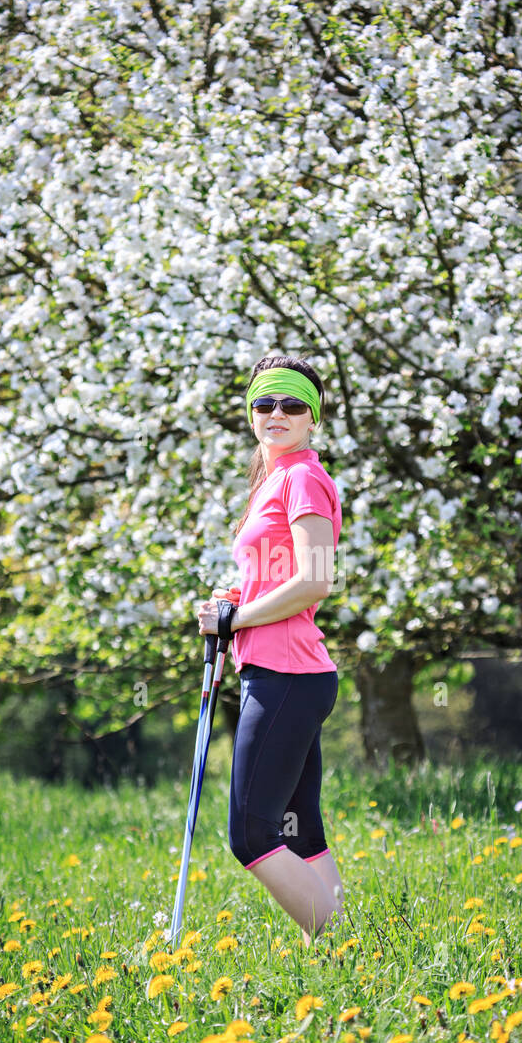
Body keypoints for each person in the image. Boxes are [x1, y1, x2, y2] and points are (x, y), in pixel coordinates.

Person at [197, 354, 344, 947]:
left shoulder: (305, 478)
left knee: (253, 834)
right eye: (264, 403)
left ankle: (344, 945)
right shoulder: (274, 482)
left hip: (288, 675)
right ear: (251, 414)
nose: (276, 413)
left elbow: (314, 581)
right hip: (279, 672)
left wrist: (236, 617)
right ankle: (341, 959)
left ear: (313, 418)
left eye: (291, 404)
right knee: (298, 828)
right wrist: (232, 599)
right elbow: (276, 576)